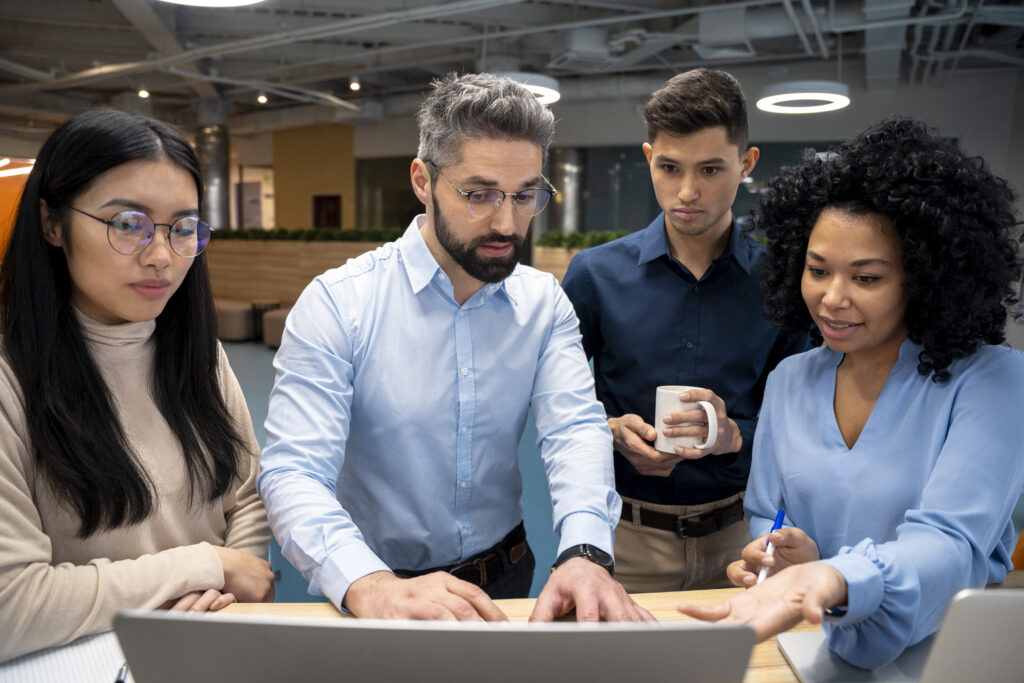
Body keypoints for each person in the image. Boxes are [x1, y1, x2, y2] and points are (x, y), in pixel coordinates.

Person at [259, 72, 650, 622]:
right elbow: (294, 472)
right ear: (423, 180)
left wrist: (585, 552)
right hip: (379, 589)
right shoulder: (340, 304)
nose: (507, 223)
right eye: (479, 195)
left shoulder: (543, 303)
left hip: (506, 577)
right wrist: (369, 585)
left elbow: (574, 431)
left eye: (525, 195)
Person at [678, 117, 1024, 668]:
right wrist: (788, 557)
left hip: (948, 658)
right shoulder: (791, 379)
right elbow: (769, 516)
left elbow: (951, 545)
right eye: (818, 270)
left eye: (866, 278)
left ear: (925, 279)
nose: (832, 298)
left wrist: (835, 576)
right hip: (817, 647)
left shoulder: (991, 381)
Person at [0, 109, 274, 663]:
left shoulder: (200, 355)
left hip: (210, 650)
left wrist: (233, 593)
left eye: (183, 227)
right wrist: (209, 566)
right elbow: (11, 605)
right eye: (128, 224)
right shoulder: (11, 380)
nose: (161, 257)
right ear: (53, 224)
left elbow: (247, 496)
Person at [561, 68, 807, 593]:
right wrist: (609, 431)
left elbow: (800, 419)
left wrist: (735, 435)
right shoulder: (593, 275)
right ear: (649, 157)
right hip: (623, 537)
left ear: (746, 164)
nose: (687, 192)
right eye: (669, 167)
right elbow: (554, 404)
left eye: (711, 169)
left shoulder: (784, 282)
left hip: (741, 540)